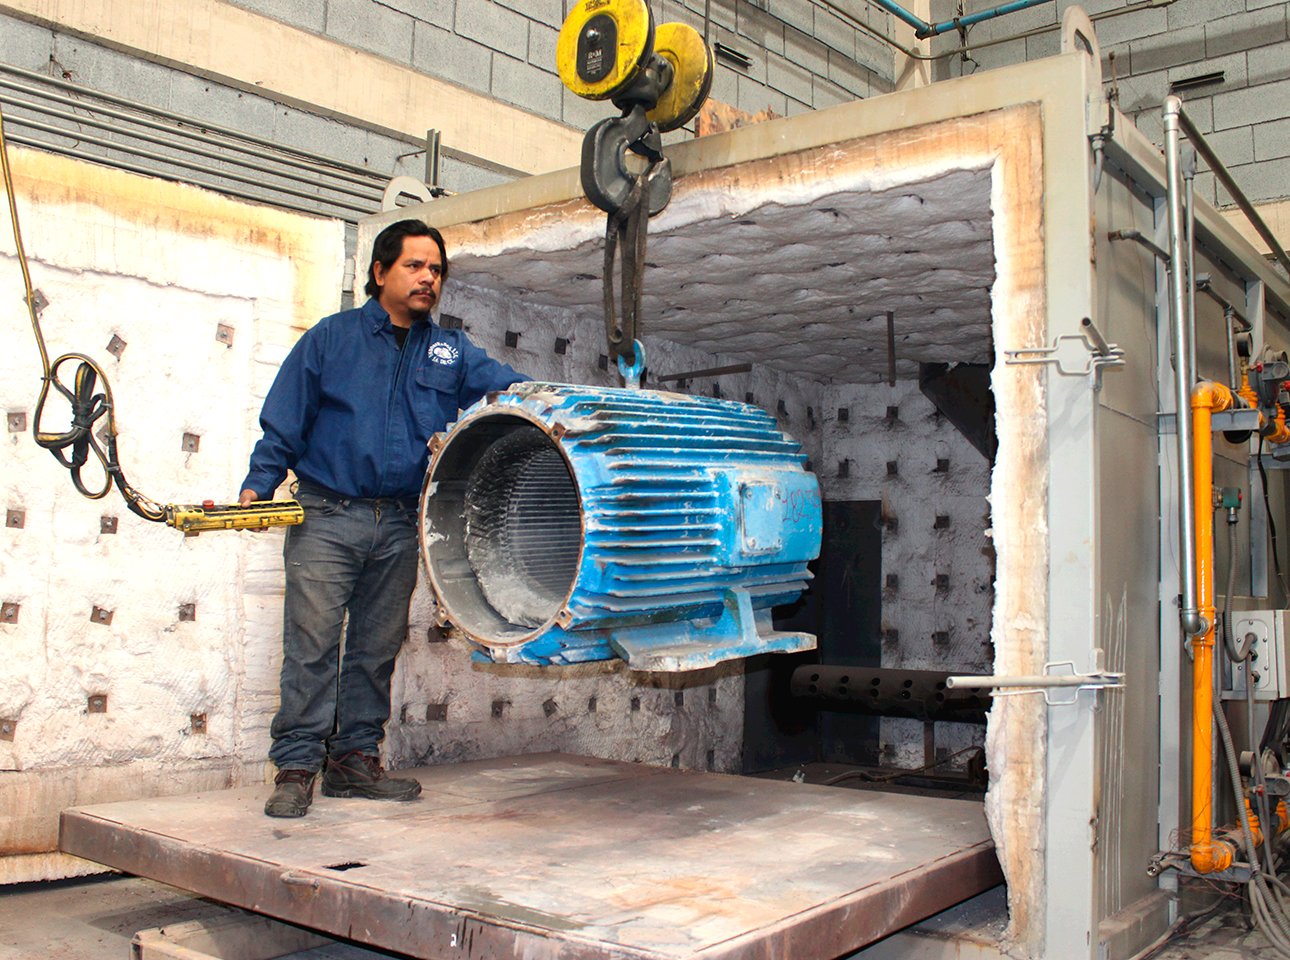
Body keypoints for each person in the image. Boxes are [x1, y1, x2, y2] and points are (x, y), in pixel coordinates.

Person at [240, 219, 527, 818]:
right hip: (326, 514)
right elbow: (286, 416)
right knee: (312, 645)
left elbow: (509, 389)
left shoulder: (448, 350)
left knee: (374, 648)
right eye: (414, 266)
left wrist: (571, 402)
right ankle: (296, 767)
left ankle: (353, 763)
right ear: (379, 272)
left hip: (401, 521)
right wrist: (258, 483)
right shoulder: (332, 338)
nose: (428, 278)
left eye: (436, 270)